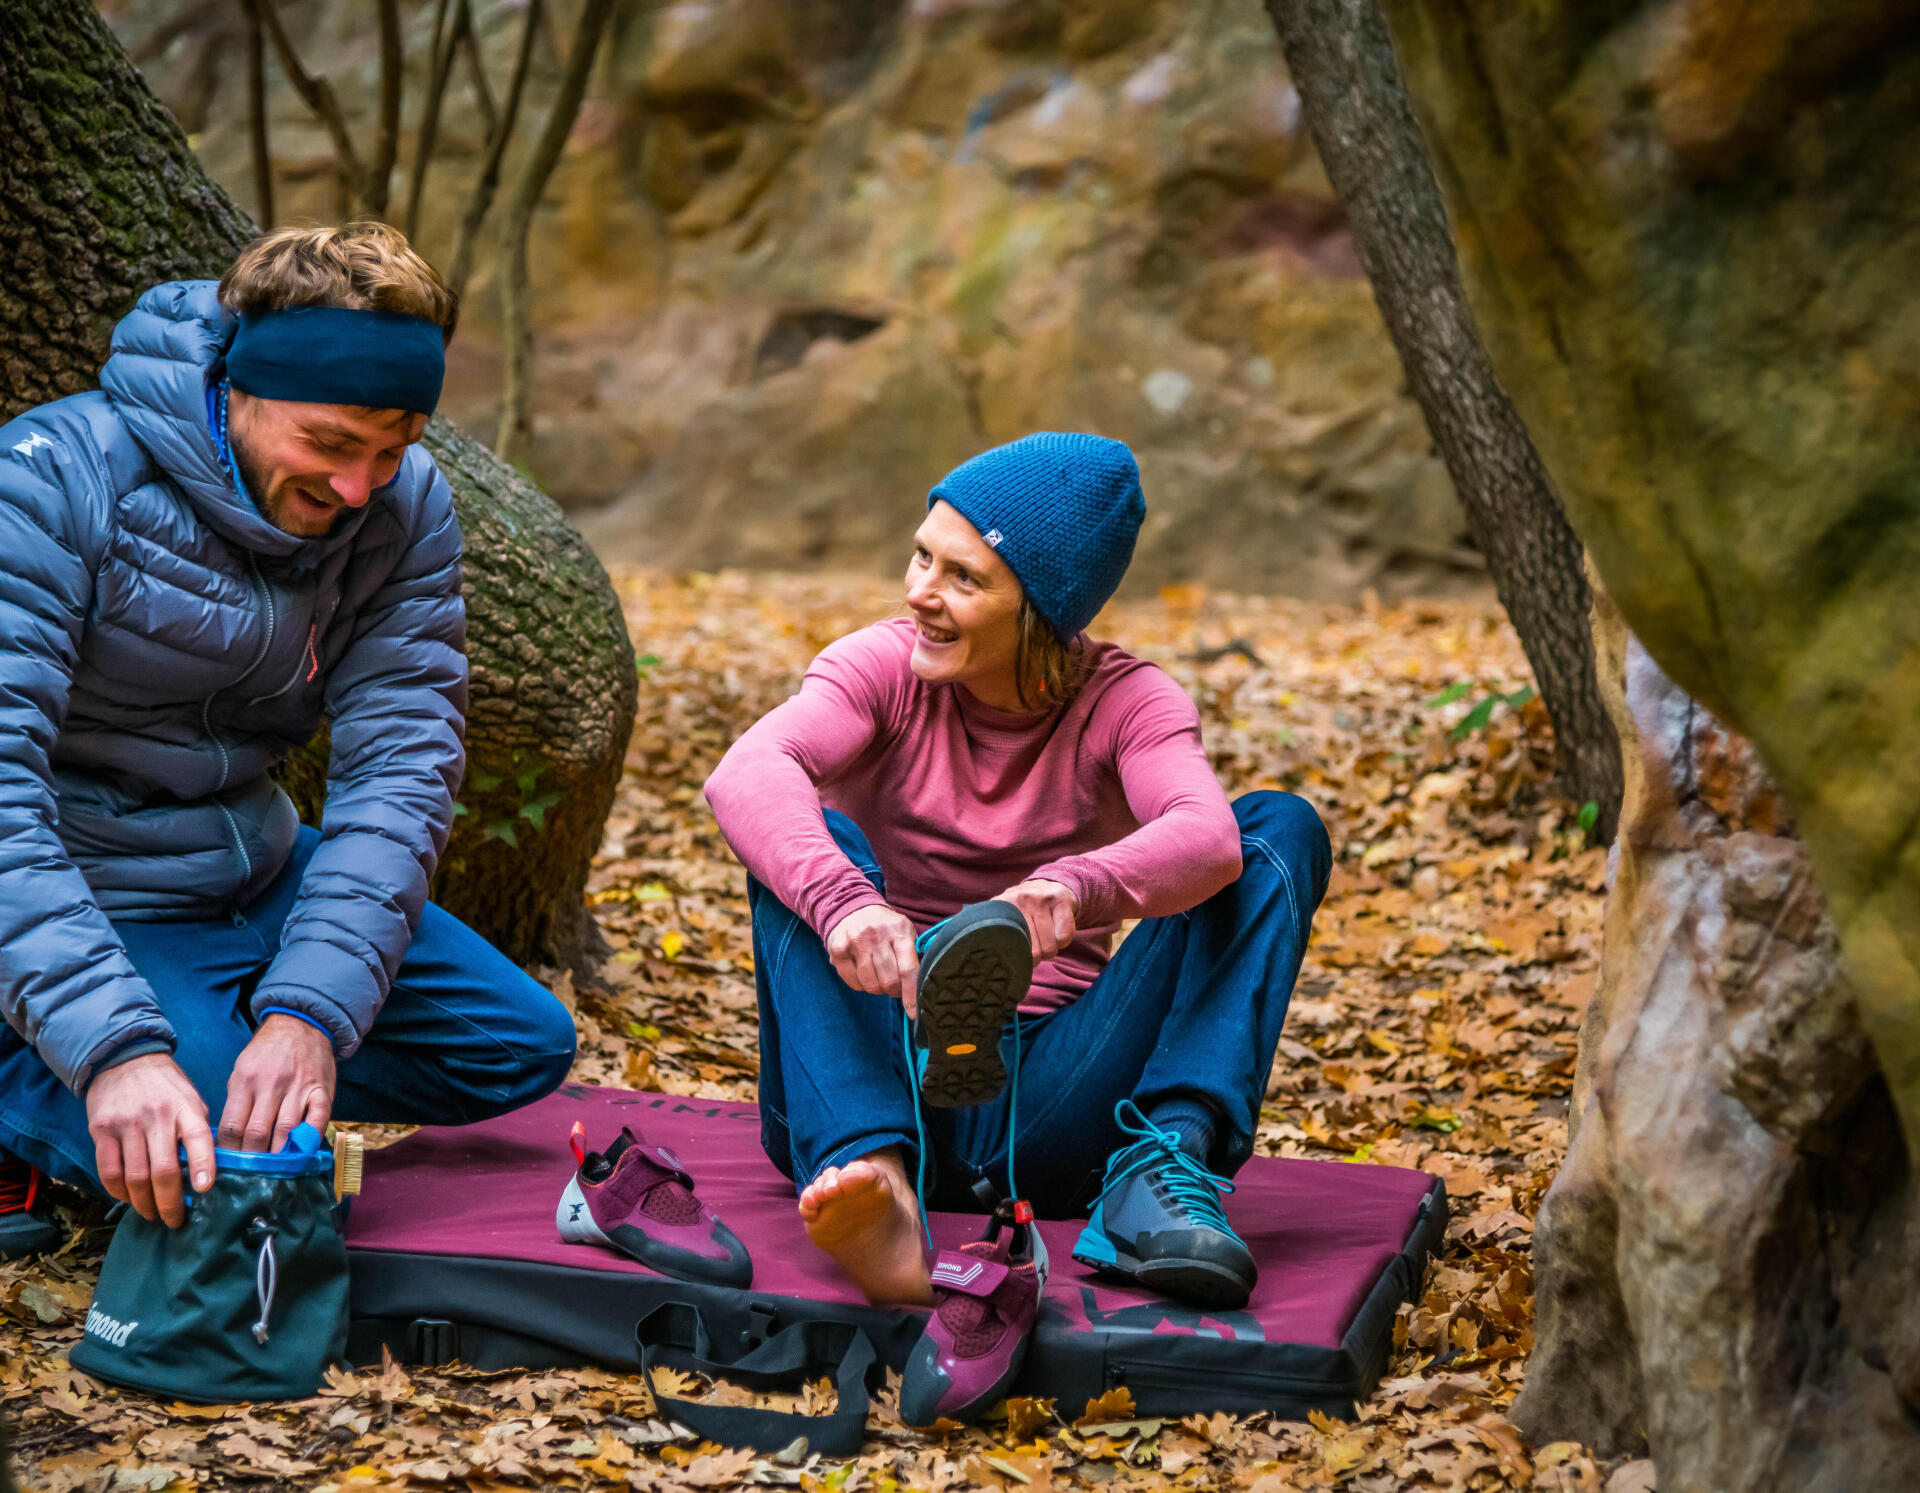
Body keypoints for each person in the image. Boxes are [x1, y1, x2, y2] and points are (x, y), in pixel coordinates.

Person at [0, 223, 577, 1252]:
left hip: (256, 871)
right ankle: (54, 1069)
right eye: (330, 443)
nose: (359, 487)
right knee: (234, 1174)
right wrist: (119, 1048)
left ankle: (212, 1055)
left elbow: (401, 770)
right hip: (90, 889)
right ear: (239, 388)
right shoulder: (53, 480)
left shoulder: (403, 509)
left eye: (392, 448)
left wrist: (307, 1013)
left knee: (515, 1045)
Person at [705, 432, 1331, 1309]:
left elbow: (1206, 837)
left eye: (964, 577)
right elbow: (747, 770)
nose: (921, 592)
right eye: (922, 555)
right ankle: (873, 1180)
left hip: (1045, 1098)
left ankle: (1159, 1168)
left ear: (1040, 608)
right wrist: (847, 903)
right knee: (807, 842)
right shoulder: (879, 665)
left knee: (1275, 829)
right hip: (873, 1063)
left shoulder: (1127, 702)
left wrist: (1075, 888)